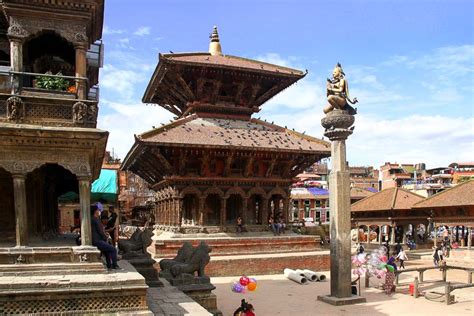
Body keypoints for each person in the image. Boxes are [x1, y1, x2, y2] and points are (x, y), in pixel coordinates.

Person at [91, 205, 120, 270]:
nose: (99, 211)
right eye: (98, 210)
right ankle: (114, 265)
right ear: (95, 211)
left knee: (107, 251)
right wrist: (105, 237)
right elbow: (100, 231)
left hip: (96, 240)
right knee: (113, 249)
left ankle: (109, 265)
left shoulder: (92, 219)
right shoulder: (96, 219)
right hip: (97, 241)